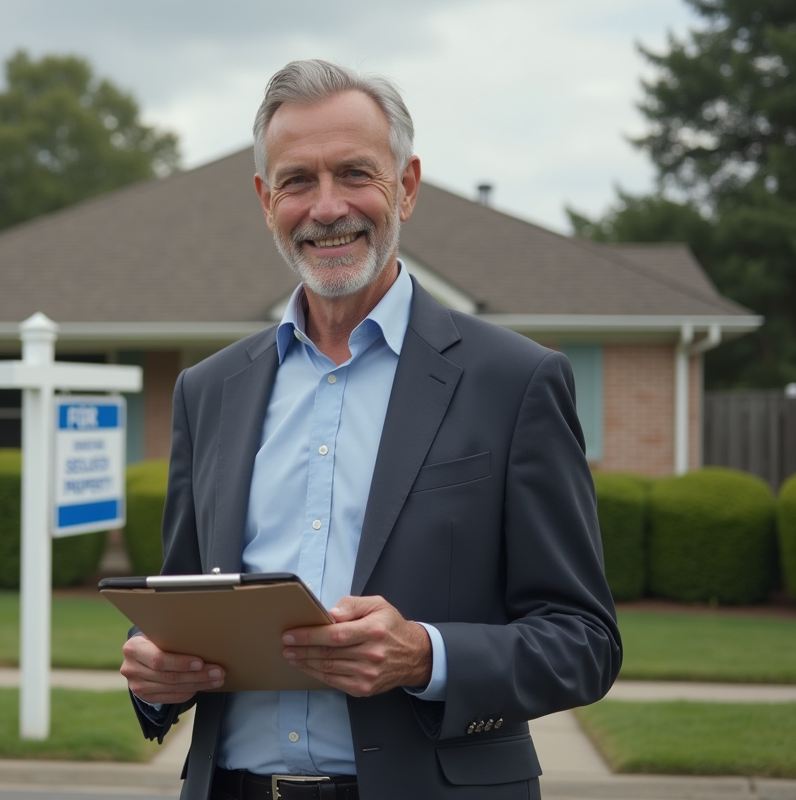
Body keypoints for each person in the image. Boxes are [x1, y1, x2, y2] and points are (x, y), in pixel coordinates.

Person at [120, 59, 621, 800]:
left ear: (407, 187)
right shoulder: (209, 392)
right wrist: (156, 677)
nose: (326, 208)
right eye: (297, 181)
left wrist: (425, 655)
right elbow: (186, 604)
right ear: (266, 200)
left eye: (355, 173)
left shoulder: (514, 382)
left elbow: (584, 642)